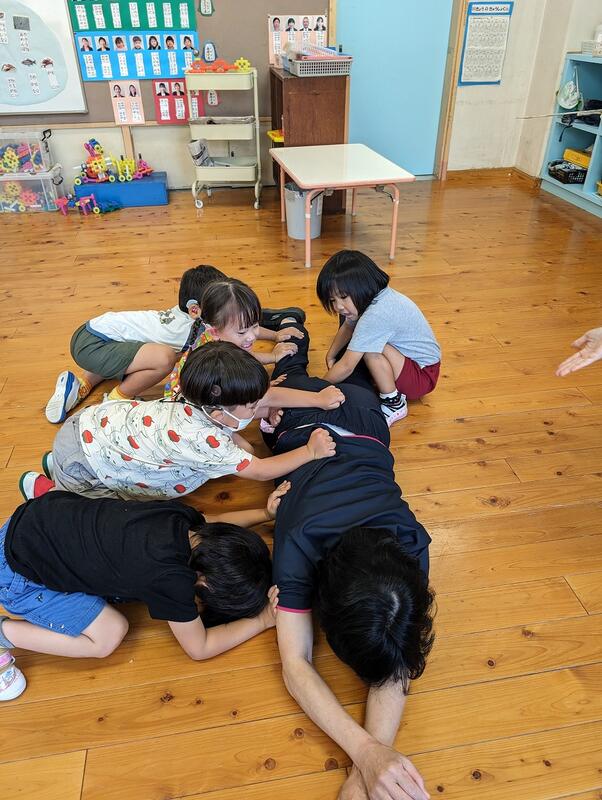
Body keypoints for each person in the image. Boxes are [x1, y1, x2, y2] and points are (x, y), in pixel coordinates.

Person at [261, 316, 434, 800]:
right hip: (306, 423)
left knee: (337, 370)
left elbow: (395, 658)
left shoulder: (410, 545)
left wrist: (367, 764)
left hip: (365, 416)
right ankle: (294, 326)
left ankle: (340, 328)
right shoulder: (301, 538)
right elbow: (295, 663)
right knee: (293, 369)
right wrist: (366, 752)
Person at [0, 484, 288, 701]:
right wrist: (263, 620)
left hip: (33, 517)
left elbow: (215, 522)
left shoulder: (180, 518)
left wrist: (264, 514)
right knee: (109, 634)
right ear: (205, 584)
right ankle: (5, 635)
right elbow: (199, 648)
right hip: (17, 576)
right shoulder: (171, 580)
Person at [21, 341, 340, 502]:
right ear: (219, 414)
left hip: (90, 427)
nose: (262, 403)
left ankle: (59, 463)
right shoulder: (205, 440)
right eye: (253, 404)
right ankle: (53, 491)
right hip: (86, 463)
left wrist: (317, 399)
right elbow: (259, 470)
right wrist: (309, 452)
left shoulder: (196, 394)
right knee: (99, 516)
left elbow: (268, 396)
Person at [44, 265, 225, 423]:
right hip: (92, 346)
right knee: (165, 359)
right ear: (194, 309)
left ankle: (79, 386)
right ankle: (115, 400)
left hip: (91, 334)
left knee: (132, 354)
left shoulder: (181, 315)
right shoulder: (188, 330)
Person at [317, 250, 441, 426]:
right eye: (333, 300)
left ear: (361, 285)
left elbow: (346, 366)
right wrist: (330, 355)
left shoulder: (376, 315)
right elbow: (348, 326)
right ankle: (385, 383)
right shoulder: (374, 297)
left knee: (369, 348)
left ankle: (394, 403)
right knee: (362, 337)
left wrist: (317, 388)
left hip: (422, 376)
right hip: (414, 363)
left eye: (343, 297)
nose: (338, 306)